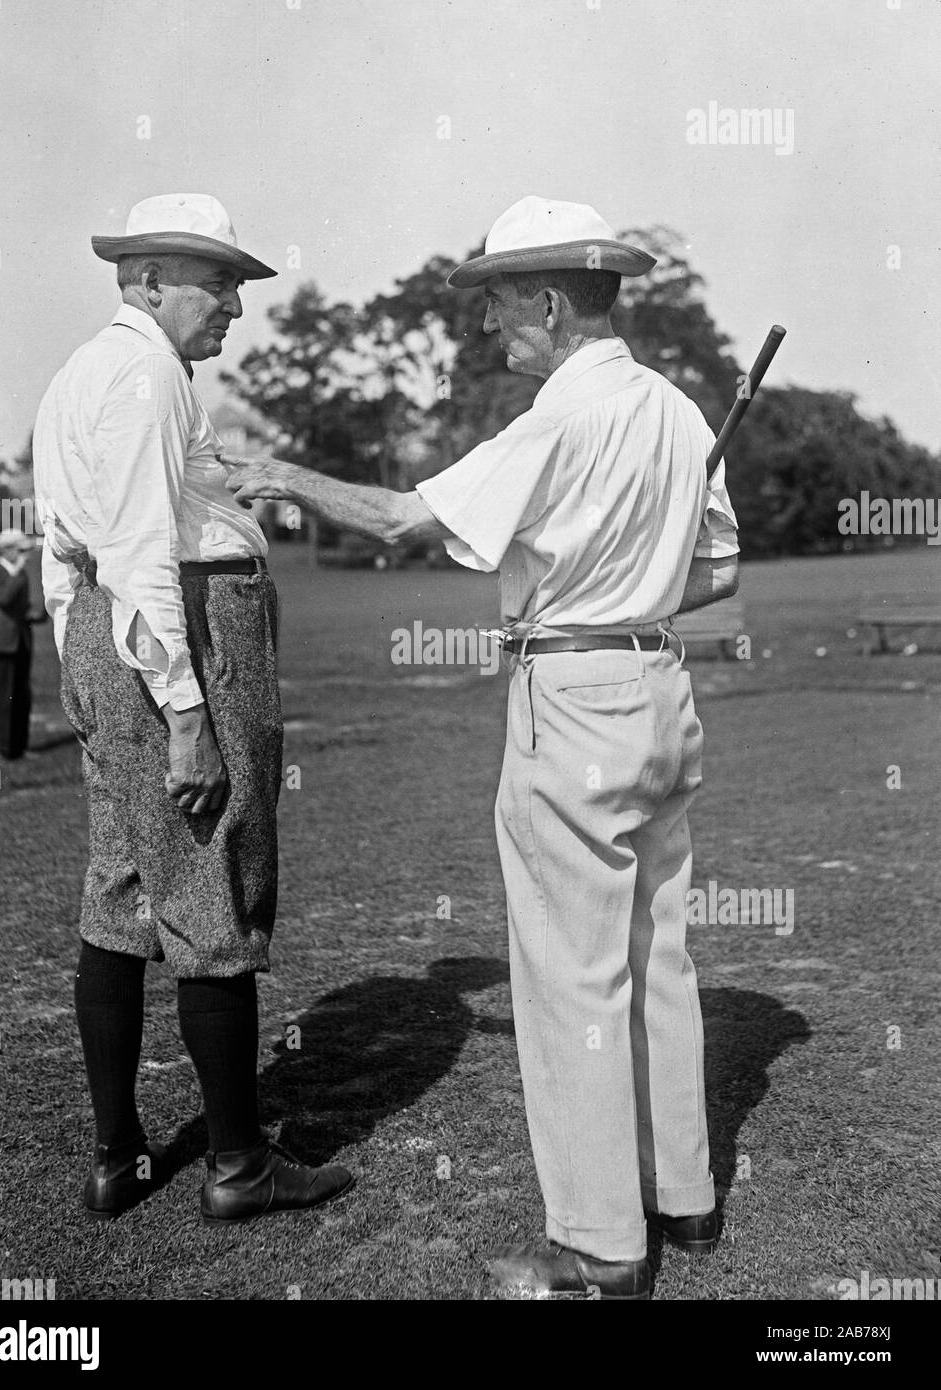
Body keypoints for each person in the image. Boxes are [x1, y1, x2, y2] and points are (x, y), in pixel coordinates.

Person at [222, 196, 739, 1298]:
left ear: (553, 301)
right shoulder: (682, 413)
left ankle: (601, 1242)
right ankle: (681, 1196)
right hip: (659, 689)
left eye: (501, 304)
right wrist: (633, 587)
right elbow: (722, 571)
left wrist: (281, 477)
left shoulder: (562, 415)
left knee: (571, 978)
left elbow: (409, 521)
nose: (493, 328)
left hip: (577, 697)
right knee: (657, 954)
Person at [32, 193, 353, 1226]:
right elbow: (138, 555)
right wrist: (183, 713)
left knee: (121, 891)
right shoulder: (146, 375)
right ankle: (238, 1162)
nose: (236, 309)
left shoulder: (81, 373)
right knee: (213, 877)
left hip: (100, 635)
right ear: (149, 280)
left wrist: (78, 671)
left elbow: (67, 561)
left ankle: (118, 1158)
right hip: (178, 637)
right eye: (220, 285)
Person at [0, 528, 47, 760]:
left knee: (22, 696)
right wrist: (16, 572)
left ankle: (20, 747)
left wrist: (42, 613)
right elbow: (4, 599)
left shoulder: (19, 574)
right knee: (4, 698)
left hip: (21, 642)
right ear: (7, 550)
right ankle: (4, 750)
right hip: (1, 645)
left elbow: (20, 610)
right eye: (21, 550)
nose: (26, 555)